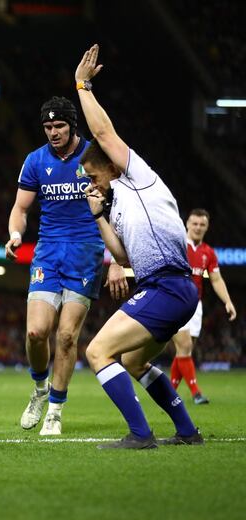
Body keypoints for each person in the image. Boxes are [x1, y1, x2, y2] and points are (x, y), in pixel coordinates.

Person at [75, 44, 202, 448]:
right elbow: (125, 256)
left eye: (92, 175)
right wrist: (98, 215)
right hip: (169, 289)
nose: (90, 183)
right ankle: (186, 431)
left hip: (166, 287)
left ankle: (141, 434)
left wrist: (82, 86)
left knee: (97, 352)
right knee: (132, 360)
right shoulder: (120, 206)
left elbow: (102, 133)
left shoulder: (138, 177)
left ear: (112, 167)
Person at [4, 94, 127, 436]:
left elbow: (115, 208)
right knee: (35, 332)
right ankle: (40, 387)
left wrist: (117, 261)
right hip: (48, 251)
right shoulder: (34, 161)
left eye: (59, 125)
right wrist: (15, 234)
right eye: (47, 126)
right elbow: (21, 208)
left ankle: (56, 408)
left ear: (72, 125)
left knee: (68, 335)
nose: (53, 132)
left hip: (86, 251)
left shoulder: (93, 156)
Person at [170, 208, 237, 404]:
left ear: (207, 227)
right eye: (195, 224)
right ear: (187, 224)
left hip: (195, 304)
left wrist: (227, 301)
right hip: (174, 301)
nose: (198, 227)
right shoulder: (177, 244)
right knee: (185, 345)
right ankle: (196, 393)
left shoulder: (208, 252)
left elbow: (216, 279)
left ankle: (169, 391)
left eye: (202, 225)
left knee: (186, 350)